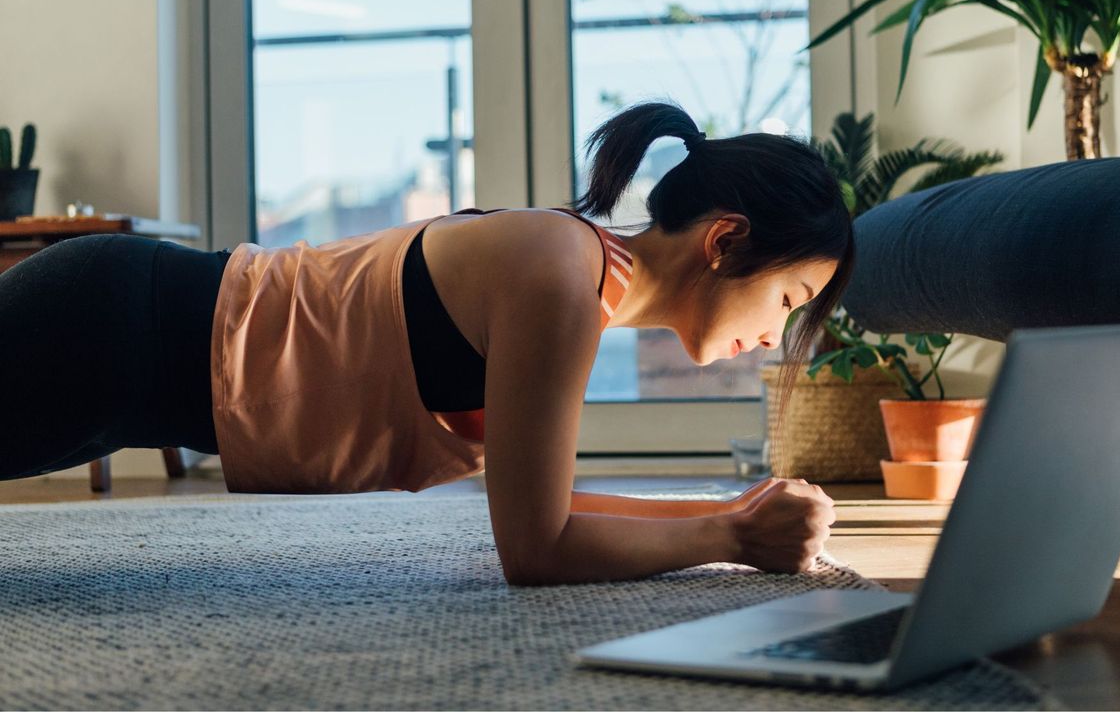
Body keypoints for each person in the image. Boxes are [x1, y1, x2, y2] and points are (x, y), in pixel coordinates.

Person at [0, 101, 854, 585]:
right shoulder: (559, 275)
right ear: (725, 241)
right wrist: (734, 542)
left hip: (126, 360)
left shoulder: (581, 283)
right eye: (790, 299)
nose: (774, 335)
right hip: (111, 328)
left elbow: (552, 509)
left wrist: (732, 513)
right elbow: (538, 550)